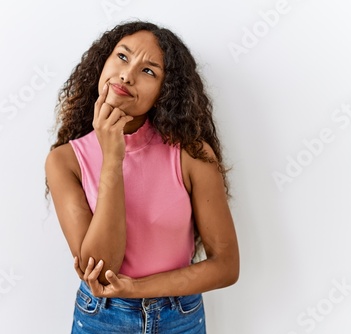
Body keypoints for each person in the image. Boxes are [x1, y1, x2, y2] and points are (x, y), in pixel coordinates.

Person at [45, 21, 239, 334]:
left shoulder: (190, 153)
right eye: (122, 57)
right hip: (102, 317)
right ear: (103, 62)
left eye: (149, 71)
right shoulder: (65, 161)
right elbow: (100, 270)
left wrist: (135, 288)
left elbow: (226, 266)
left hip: (180, 315)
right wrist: (112, 159)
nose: (127, 74)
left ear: (165, 91)